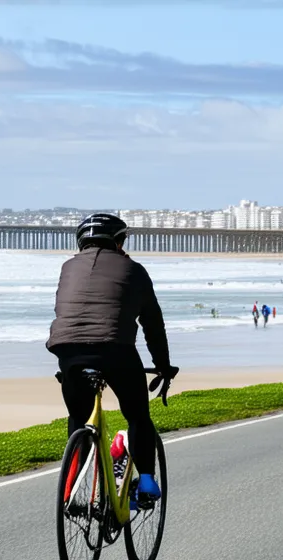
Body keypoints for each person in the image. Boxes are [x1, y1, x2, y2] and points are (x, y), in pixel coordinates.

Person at [47, 213, 177, 506]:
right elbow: (153, 325)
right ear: (118, 242)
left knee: (78, 416)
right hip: (115, 349)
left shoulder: (68, 267)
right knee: (137, 416)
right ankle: (145, 481)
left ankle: (71, 489)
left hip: (66, 350)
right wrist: (163, 366)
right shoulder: (134, 269)